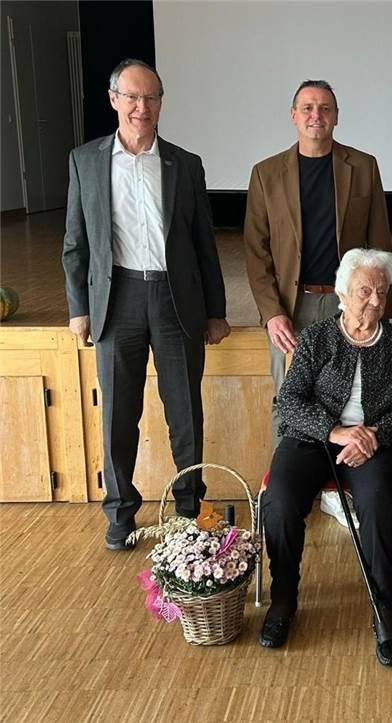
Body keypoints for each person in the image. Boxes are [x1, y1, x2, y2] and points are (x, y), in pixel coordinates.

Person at [62, 58, 229, 550]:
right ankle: (120, 513)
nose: (142, 107)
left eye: (151, 98)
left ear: (160, 103)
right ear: (113, 100)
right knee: (118, 412)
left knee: (185, 412)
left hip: (177, 299)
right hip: (117, 301)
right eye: (132, 97)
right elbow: (75, 242)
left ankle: (189, 507)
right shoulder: (85, 161)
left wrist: (216, 310)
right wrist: (78, 306)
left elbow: (205, 244)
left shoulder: (185, 163)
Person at [258, 248, 392, 666]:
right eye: (365, 290)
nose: (375, 301)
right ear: (343, 294)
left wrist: (372, 436)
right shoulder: (316, 338)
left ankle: (385, 610)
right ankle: (283, 600)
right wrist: (334, 430)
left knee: (380, 503)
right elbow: (289, 401)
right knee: (280, 499)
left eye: (382, 293)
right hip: (313, 439)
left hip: (373, 445)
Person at [244, 79, 391, 529]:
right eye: (307, 107)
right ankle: (288, 493)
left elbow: (380, 244)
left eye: (325, 108)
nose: (316, 116)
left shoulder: (362, 167)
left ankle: (340, 489)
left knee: (352, 396)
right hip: (294, 307)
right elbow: (256, 251)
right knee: (289, 399)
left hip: (350, 306)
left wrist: (380, 309)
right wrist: (272, 312)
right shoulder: (266, 173)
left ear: (336, 116)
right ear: (293, 115)